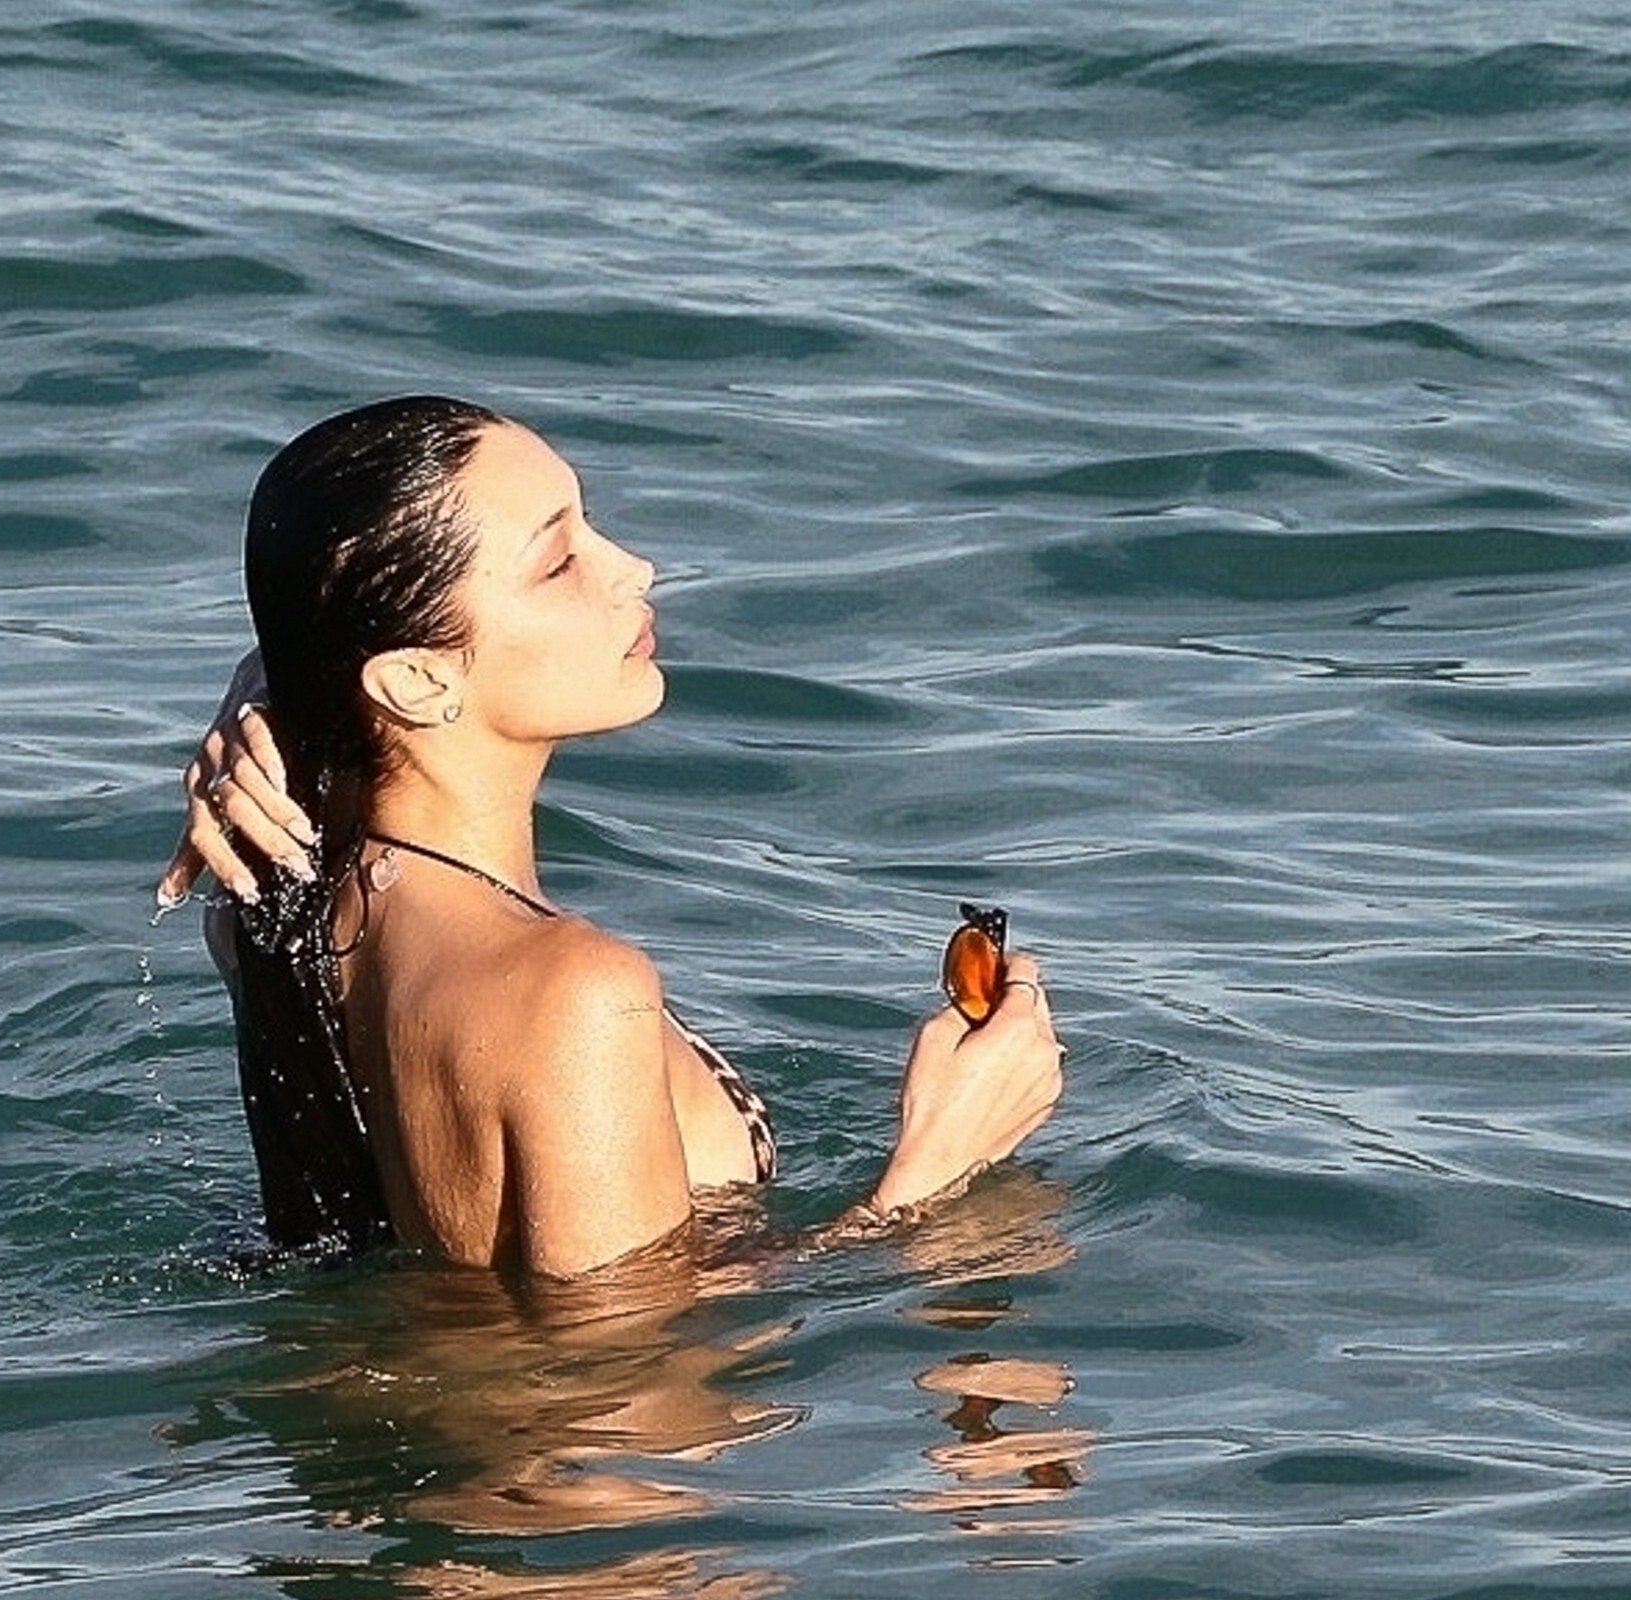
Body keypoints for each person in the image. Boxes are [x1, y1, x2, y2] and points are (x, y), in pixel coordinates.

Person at [157, 396, 1062, 1279]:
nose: (635, 568)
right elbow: (627, 1364)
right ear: (417, 683)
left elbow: (324, 644)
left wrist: (269, 699)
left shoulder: (268, 906)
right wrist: (935, 1170)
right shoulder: (576, 994)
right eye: (558, 563)